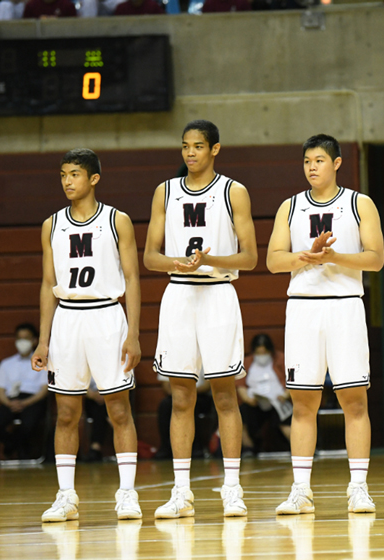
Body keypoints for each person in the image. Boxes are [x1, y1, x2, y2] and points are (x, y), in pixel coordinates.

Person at [144, 120, 258, 518]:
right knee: (180, 397)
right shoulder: (165, 191)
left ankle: (232, 489)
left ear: (215, 149)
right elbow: (150, 257)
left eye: (197, 146)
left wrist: (208, 261)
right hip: (179, 295)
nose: (190, 152)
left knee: (225, 395)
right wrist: (179, 263)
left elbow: (250, 257)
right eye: (185, 146)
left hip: (218, 294)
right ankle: (181, 492)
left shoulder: (233, 191)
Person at [267, 134, 384, 515]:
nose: (312, 167)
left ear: (336, 163)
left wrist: (334, 257)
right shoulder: (290, 206)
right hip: (303, 309)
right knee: (303, 403)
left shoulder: (359, 203)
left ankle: (358, 488)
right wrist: (307, 256)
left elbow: (376, 259)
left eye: (319, 160)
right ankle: (301, 490)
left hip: (345, 307)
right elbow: (273, 261)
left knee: (354, 400)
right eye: (306, 161)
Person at [32, 148, 142, 522]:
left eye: (75, 174)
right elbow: (48, 283)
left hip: (107, 316)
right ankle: (66, 496)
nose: (67, 181)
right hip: (67, 319)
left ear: (94, 178)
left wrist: (134, 333)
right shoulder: (51, 225)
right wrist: (44, 339)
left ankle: (127, 493)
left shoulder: (116, 220)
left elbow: (133, 279)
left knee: (118, 409)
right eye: (63, 174)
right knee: (66, 412)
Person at [0, 323, 49, 460]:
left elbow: (44, 390)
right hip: (11, 400)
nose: (22, 342)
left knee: (29, 425)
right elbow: (0, 390)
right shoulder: (6, 364)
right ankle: (18, 446)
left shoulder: (43, 362)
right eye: (19, 338)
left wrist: (25, 403)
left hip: (33, 400)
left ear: (34, 340)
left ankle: (15, 447)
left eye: (26, 338)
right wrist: (9, 403)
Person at [236, 333, 292, 454]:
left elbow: (291, 380)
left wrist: (285, 395)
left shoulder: (281, 359)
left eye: (264, 353)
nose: (262, 356)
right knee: (241, 415)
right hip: (255, 402)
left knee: (286, 419)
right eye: (259, 353)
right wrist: (248, 399)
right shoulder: (247, 362)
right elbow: (240, 385)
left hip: (278, 401)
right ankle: (248, 448)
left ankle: (299, 447)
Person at [154, 372, 215, 460]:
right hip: (176, 395)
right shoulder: (168, 362)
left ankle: (196, 448)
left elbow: (207, 385)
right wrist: (180, 394)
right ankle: (166, 448)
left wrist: (188, 393)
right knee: (165, 405)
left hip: (200, 395)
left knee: (192, 405)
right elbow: (166, 386)